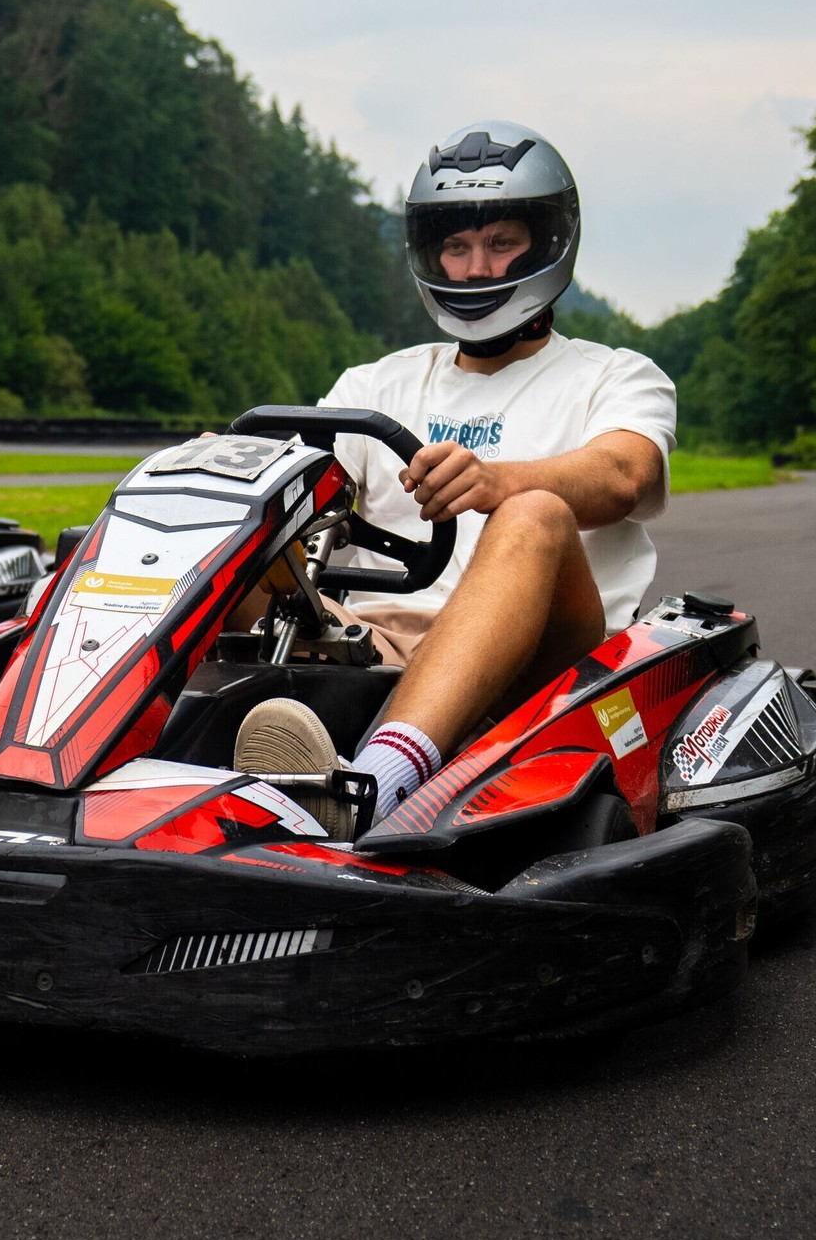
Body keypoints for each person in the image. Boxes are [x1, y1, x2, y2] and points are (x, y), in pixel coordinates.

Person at [233, 120, 677, 828]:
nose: (475, 269)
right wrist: (223, 473)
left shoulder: (614, 375)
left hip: (549, 667)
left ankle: (376, 786)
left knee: (532, 514)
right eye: (458, 246)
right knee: (226, 519)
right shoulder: (374, 385)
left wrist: (502, 482)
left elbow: (626, 474)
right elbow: (291, 480)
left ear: (549, 243)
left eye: (502, 244)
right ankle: (55, 740)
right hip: (366, 642)